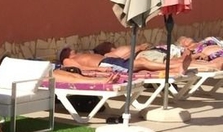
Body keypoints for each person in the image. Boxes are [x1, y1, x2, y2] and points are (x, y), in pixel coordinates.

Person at [60, 45, 191, 75]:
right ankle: (175, 68)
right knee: (142, 63)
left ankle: (176, 67)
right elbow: (80, 68)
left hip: (109, 62)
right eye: (68, 49)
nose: (71, 49)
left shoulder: (80, 55)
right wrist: (99, 69)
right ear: (65, 54)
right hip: (105, 64)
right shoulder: (67, 60)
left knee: (142, 65)